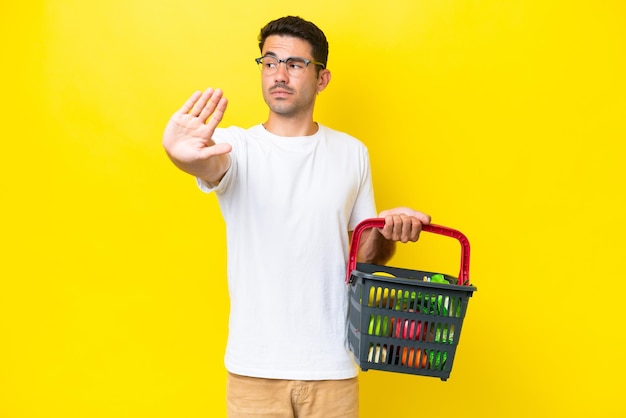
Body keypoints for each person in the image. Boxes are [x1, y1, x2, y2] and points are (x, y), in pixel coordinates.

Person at [162, 15, 431, 418]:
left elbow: (365, 258)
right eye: (269, 63)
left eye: (295, 64)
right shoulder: (236, 146)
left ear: (321, 79)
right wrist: (180, 157)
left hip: (333, 368)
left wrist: (389, 230)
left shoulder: (351, 153)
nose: (279, 75)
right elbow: (210, 167)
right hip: (254, 370)